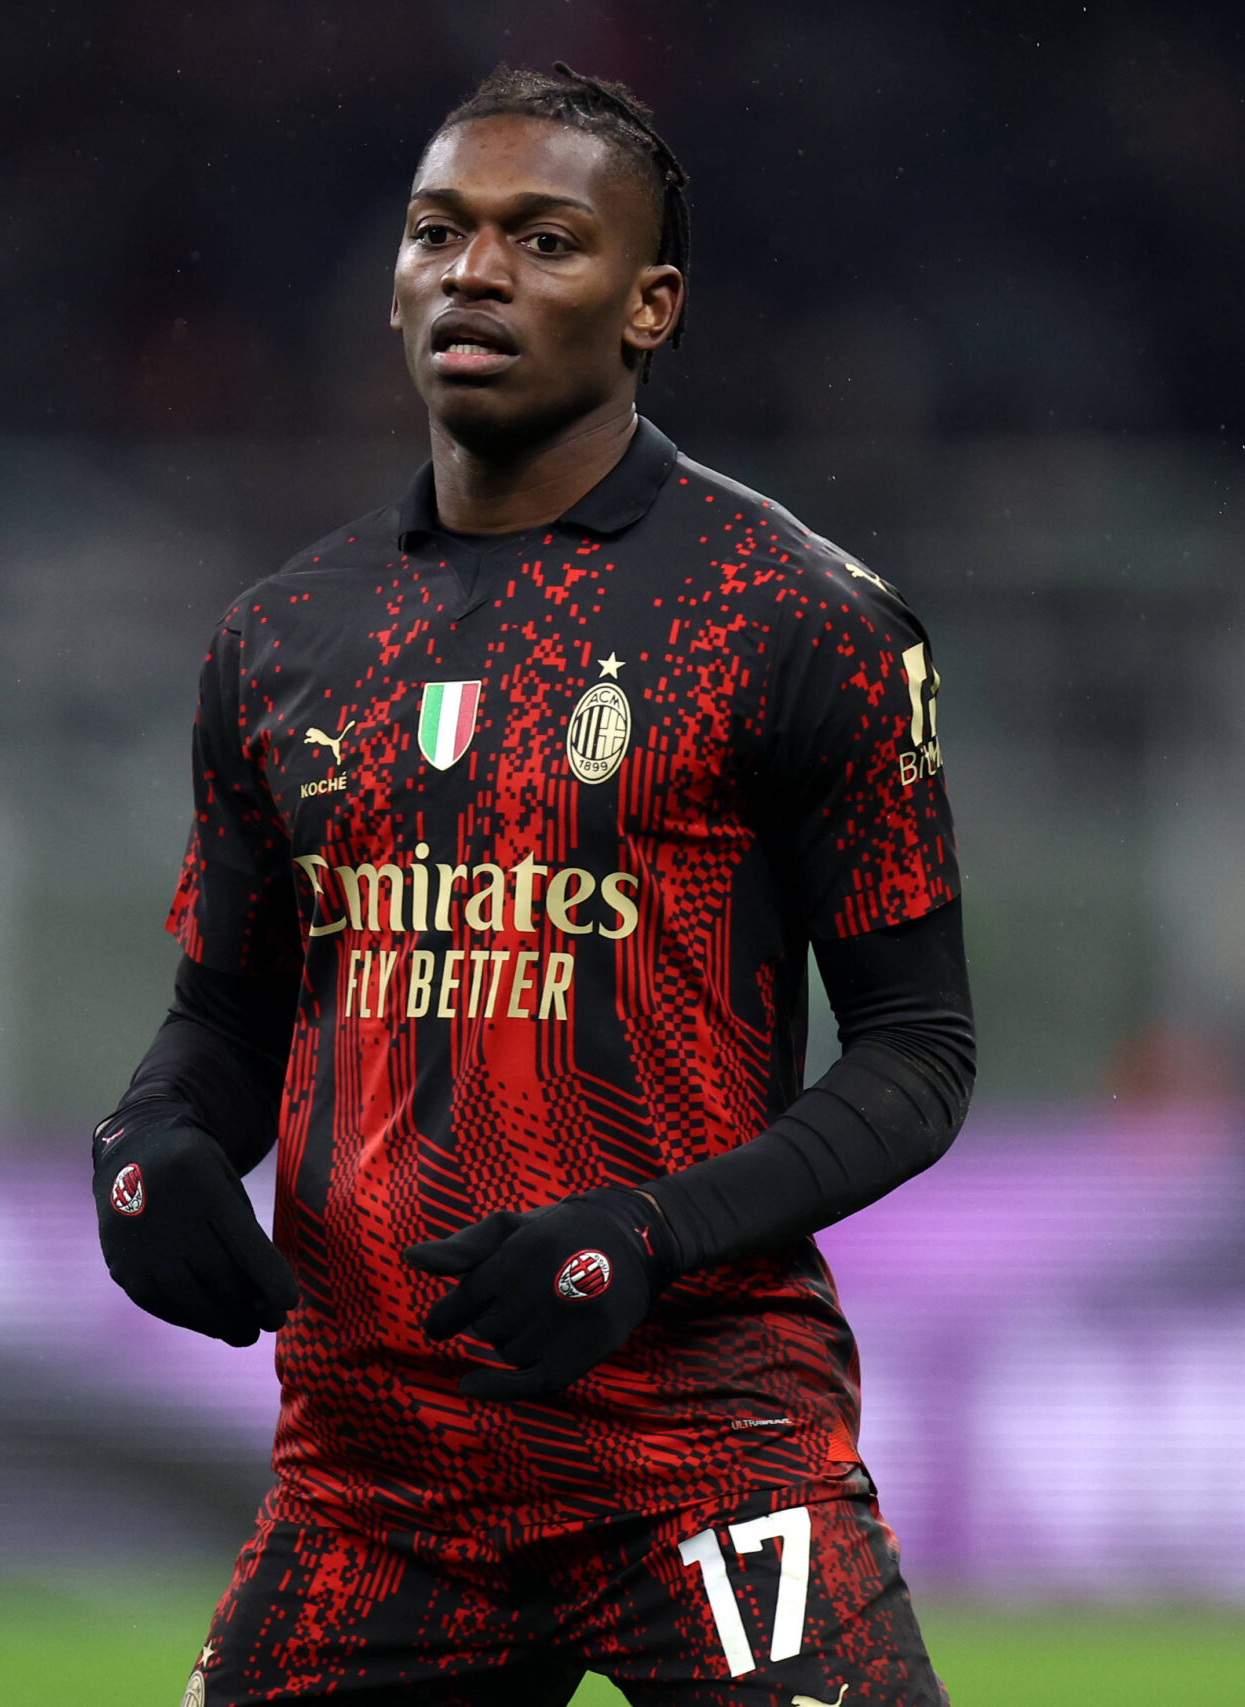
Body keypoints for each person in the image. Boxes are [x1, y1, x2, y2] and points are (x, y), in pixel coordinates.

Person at [91, 64, 970, 1707]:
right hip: (375, 1480)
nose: (473, 273)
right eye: (440, 233)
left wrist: (648, 1232)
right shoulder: (279, 638)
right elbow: (222, 1013)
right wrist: (145, 1148)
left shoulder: (796, 619)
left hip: (704, 1458)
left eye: (541, 240)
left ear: (652, 307)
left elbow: (923, 1052)